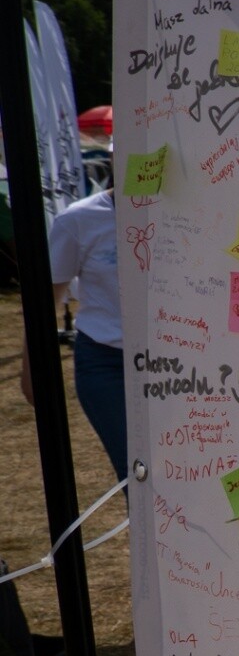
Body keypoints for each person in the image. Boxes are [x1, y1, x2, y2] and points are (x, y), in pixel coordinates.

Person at [43, 185, 125, 479]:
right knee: (138, 474)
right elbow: (45, 298)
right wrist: (33, 367)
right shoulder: (78, 219)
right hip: (107, 362)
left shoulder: (197, 209)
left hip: (181, 363)